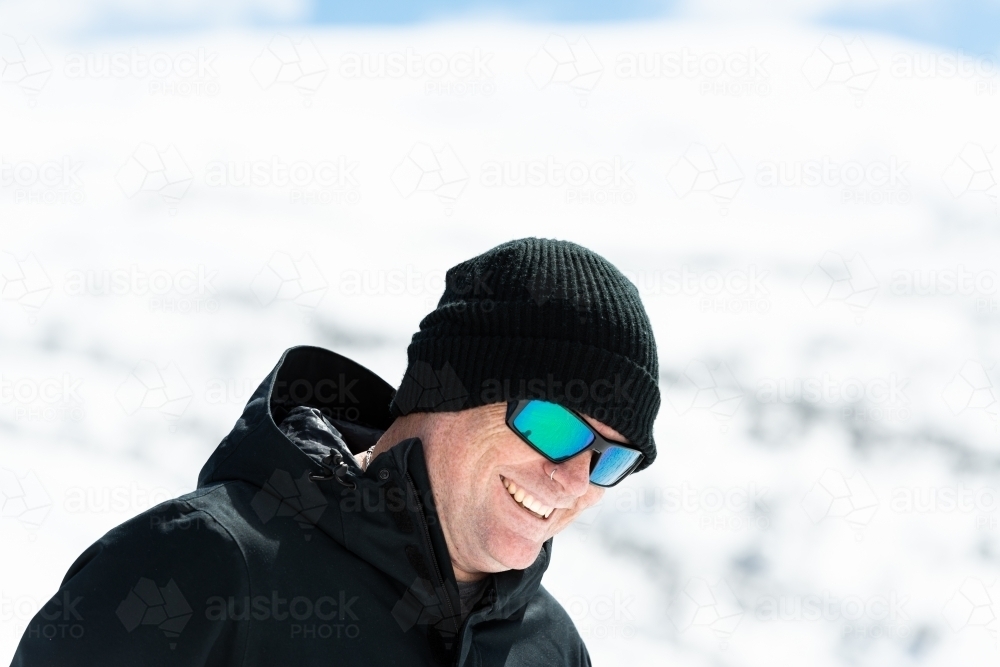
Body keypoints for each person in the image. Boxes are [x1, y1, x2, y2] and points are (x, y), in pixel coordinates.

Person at [11, 237, 660, 666]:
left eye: (612, 458)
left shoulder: (551, 647)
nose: (575, 476)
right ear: (444, 390)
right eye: (553, 425)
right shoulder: (198, 565)